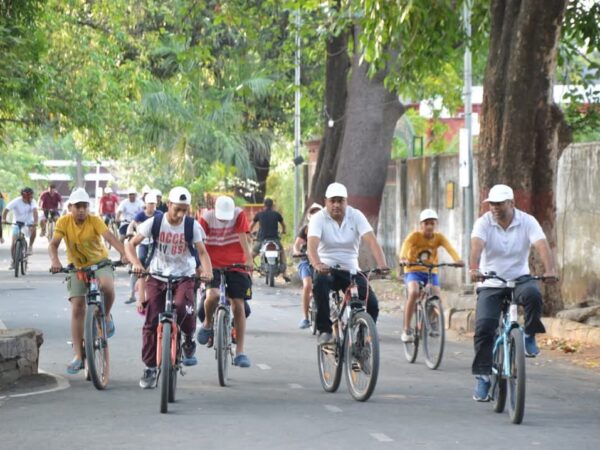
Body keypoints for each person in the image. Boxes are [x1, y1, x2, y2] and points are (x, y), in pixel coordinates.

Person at [469, 184, 557, 402]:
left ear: (511, 203)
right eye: (492, 204)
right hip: (491, 281)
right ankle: (483, 376)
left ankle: (529, 334)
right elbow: (476, 246)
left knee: (533, 295)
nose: (494, 208)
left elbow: (542, 245)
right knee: (484, 327)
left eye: (499, 204)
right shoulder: (484, 222)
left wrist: (550, 270)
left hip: (519, 278)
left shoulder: (527, 221)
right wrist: (474, 268)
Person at [126, 187, 213, 389]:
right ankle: (149, 367)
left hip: (184, 276)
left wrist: (208, 272)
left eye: (185, 209)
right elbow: (130, 245)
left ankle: (188, 338)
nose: (181, 214)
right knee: (151, 322)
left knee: (183, 308)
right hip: (158, 275)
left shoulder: (192, 226)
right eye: (177, 209)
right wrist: (136, 264)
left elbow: (202, 252)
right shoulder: (154, 223)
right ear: (168, 204)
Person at [49, 188, 128, 374]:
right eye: (78, 206)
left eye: (84, 206)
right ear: (70, 207)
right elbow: (53, 244)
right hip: (77, 267)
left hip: (100, 263)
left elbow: (110, 238)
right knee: (77, 307)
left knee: (107, 285)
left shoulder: (95, 220)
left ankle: (106, 316)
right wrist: (55, 261)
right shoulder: (63, 222)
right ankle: (78, 355)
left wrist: (124, 254)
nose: (81, 210)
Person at [307, 182, 390, 345]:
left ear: (346, 201)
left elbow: (372, 241)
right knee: (320, 283)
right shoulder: (318, 218)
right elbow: (312, 246)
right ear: (325, 202)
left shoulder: (356, 215)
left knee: (372, 304)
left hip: (351, 270)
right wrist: (317, 264)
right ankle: (325, 330)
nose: (336, 205)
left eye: (340, 201)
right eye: (333, 201)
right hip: (327, 269)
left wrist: (383, 265)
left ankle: (362, 341)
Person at [196, 195, 254, 368]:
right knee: (212, 295)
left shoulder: (238, 214)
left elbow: (243, 237)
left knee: (238, 305)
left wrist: (248, 258)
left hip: (237, 264)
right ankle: (207, 323)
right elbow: (198, 242)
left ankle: (240, 352)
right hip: (212, 263)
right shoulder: (206, 218)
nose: (224, 219)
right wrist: (199, 266)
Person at [399, 209, 464, 342]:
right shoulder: (415, 236)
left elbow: (450, 248)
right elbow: (405, 246)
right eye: (426, 223)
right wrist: (403, 258)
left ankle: (432, 321)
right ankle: (406, 329)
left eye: (432, 223)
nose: (429, 226)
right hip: (413, 270)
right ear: (421, 225)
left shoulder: (439, 237)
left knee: (436, 296)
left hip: (430, 271)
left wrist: (457, 259)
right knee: (414, 292)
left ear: (436, 224)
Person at [124, 192, 163, 305]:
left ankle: (152, 295)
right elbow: (131, 225)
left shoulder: (159, 214)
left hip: (155, 243)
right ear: (145, 204)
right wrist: (129, 232)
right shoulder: (140, 215)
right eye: (150, 204)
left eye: (153, 204)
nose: (152, 206)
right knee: (139, 264)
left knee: (154, 266)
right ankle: (132, 294)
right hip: (143, 243)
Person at [293, 202, 323, 329]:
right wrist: (297, 252)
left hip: (322, 261)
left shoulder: (327, 227)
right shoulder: (306, 229)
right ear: (309, 215)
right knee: (307, 285)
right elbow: (297, 245)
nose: (315, 215)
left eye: (318, 212)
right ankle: (305, 318)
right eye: (313, 212)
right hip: (306, 261)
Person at [250, 198, 289, 281]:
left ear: (264, 205)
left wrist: (250, 235)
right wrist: (283, 231)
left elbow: (250, 227)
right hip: (275, 240)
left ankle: (249, 274)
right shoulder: (277, 214)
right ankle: (285, 273)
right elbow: (284, 226)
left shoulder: (259, 214)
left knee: (251, 256)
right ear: (272, 205)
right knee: (282, 252)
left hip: (262, 240)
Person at [2, 187, 38, 268]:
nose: (31, 198)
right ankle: (14, 261)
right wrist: (4, 219)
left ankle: (30, 246)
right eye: (29, 197)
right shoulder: (16, 201)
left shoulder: (33, 201)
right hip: (17, 223)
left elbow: (35, 211)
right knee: (13, 243)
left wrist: (35, 222)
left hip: (28, 223)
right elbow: (6, 209)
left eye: (31, 196)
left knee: (34, 229)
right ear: (24, 196)